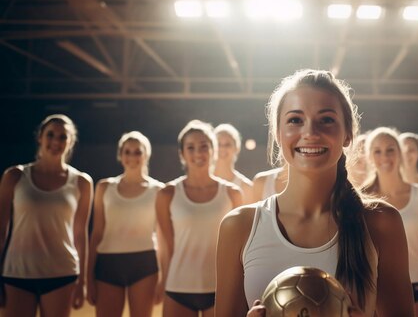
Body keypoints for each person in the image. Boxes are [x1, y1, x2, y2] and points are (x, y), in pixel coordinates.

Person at [215, 69, 414, 317]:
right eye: (295, 120)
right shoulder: (239, 226)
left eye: (327, 119)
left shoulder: (380, 221)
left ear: (348, 135)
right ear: (278, 134)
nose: (310, 133)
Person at [0, 114, 93, 317]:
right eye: (50, 134)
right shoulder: (14, 176)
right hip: (17, 273)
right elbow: (1, 229)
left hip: (62, 274)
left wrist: (83, 282)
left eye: (62, 137)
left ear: (70, 143)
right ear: (40, 137)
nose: (55, 141)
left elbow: (80, 234)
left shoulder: (82, 182)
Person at [156, 120, 243, 317]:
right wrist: (163, 280)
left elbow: (239, 248)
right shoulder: (167, 194)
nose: (198, 153)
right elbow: (165, 245)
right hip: (178, 288)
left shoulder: (232, 193)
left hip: (221, 289)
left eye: (204, 146)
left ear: (213, 150)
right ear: (181, 154)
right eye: (191, 147)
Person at [362, 127, 418, 316]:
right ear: (369, 157)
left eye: (390, 149)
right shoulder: (359, 200)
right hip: (375, 290)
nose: (385, 156)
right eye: (377, 151)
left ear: (400, 154)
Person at [86, 131, 165, 317]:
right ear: (120, 155)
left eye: (137, 152)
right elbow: (96, 233)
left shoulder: (159, 190)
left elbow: (163, 239)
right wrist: (88, 277)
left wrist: (164, 277)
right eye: (127, 152)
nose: (132, 157)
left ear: (146, 155)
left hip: (145, 264)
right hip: (108, 264)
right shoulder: (104, 187)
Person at [214, 123, 254, 203]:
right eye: (218, 144)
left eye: (227, 144)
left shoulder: (246, 187)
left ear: (237, 148)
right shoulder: (200, 183)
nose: (222, 148)